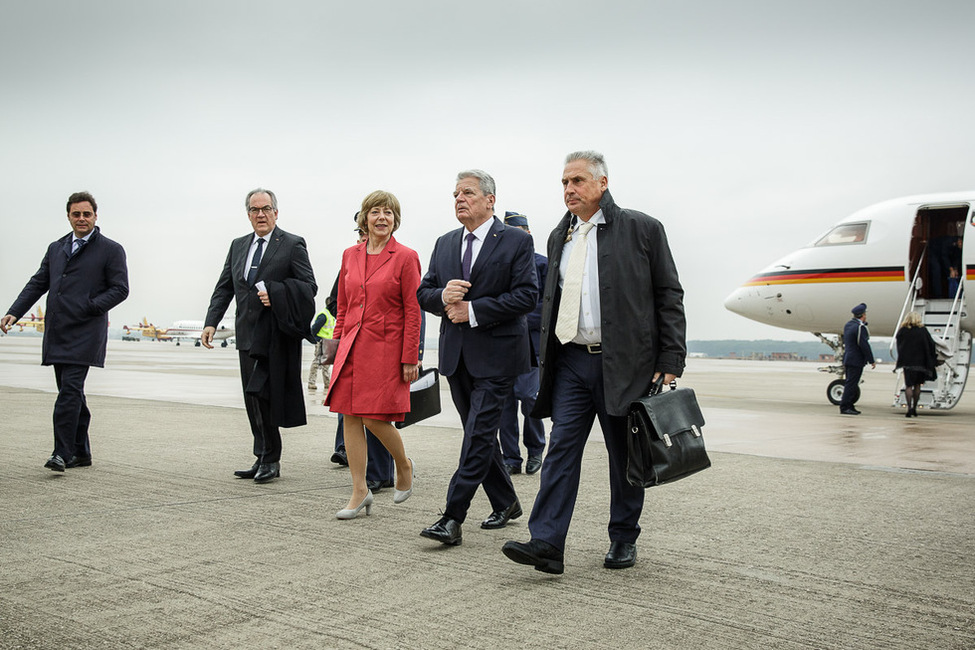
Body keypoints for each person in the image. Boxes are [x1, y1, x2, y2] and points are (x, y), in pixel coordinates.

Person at [502, 150, 687, 575]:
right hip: (570, 362)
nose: (569, 190)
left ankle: (623, 536)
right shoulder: (558, 235)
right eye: (565, 183)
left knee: (625, 455)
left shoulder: (643, 229)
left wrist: (671, 357)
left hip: (624, 364)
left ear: (603, 184)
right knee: (561, 449)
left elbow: (668, 295)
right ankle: (546, 543)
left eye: (579, 181)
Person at [417, 170, 538, 546]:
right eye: (455, 193)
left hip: (498, 356)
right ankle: (506, 501)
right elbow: (424, 292)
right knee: (480, 438)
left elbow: (527, 296)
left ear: (490, 200)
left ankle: (452, 517)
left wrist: (473, 310)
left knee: (477, 436)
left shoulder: (515, 241)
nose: (459, 199)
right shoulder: (445, 242)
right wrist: (442, 297)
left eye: (467, 192)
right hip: (457, 357)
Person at [1, 191, 129, 472]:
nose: (81, 219)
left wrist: (90, 306)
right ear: (69, 216)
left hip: (86, 332)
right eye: (76, 214)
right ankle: (82, 453)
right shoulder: (56, 248)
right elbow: (38, 283)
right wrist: (14, 312)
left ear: (96, 216)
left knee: (69, 392)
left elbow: (120, 289)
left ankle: (61, 452)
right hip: (58, 331)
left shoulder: (111, 249)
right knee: (72, 393)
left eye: (87, 214)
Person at [203, 188, 317, 483]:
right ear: (248, 214)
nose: (261, 214)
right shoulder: (238, 245)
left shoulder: (292, 244)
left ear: (276, 213)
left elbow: (308, 286)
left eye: (266, 209)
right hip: (246, 334)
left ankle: (272, 459)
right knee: (251, 397)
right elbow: (225, 287)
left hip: (275, 336)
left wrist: (277, 294)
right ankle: (261, 455)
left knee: (266, 396)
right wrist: (211, 322)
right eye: (255, 210)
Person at [325, 190, 420, 520]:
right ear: (365, 218)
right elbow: (342, 307)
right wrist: (334, 348)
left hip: (386, 349)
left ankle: (403, 465)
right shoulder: (349, 255)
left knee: (374, 417)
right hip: (351, 347)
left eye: (389, 213)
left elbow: (413, 310)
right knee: (349, 416)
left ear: (395, 220)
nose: (383, 218)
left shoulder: (406, 257)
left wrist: (411, 356)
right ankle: (359, 491)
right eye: (376, 212)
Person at [498, 211, 548, 475]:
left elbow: (547, 304)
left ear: (527, 233)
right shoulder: (500, 264)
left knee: (529, 397)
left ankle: (536, 449)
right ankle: (511, 457)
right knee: (504, 403)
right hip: (503, 343)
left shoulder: (542, 264)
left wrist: (516, 313)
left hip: (531, 343)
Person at [894, 311, 937, 417]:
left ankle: (909, 408)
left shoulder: (903, 331)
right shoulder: (922, 331)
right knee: (917, 386)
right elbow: (931, 344)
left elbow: (899, 344)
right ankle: (915, 408)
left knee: (908, 385)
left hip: (907, 363)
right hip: (920, 363)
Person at [839, 302, 875, 415]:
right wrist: (871, 360)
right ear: (863, 315)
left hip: (848, 358)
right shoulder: (860, 327)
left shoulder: (848, 325)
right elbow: (863, 344)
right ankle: (845, 406)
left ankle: (849, 405)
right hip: (856, 360)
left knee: (851, 382)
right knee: (851, 384)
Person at [307, 305, 335, 391]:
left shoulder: (331, 316)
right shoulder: (324, 315)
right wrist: (316, 339)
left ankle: (327, 383)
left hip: (328, 342)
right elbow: (314, 328)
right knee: (317, 361)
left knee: (326, 364)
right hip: (321, 341)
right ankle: (311, 383)